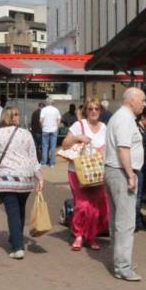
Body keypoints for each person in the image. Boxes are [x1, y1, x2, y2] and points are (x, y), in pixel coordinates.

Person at [104, 88, 146, 281]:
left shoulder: (122, 117)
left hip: (117, 171)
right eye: (143, 100)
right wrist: (130, 174)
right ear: (132, 101)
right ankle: (123, 266)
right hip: (121, 172)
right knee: (126, 221)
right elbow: (123, 148)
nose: (144, 104)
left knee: (118, 220)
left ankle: (121, 261)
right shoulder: (124, 118)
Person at [0, 106, 43, 260]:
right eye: (16, 114)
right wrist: (39, 176)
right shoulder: (26, 134)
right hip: (25, 180)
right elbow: (33, 158)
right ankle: (15, 237)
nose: (18, 117)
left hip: (6, 178)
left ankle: (17, 247)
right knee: (20, 210)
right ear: (12, 117)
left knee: (12, 212)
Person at [61, 98, 109, 251]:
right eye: (90, 109)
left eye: (96, 108)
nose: (93, 111)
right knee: (82, 205)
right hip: (78, 172)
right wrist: (77, 138)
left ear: (100, 111)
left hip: (97, 173)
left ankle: (91, 236)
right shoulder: (78, 125)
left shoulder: (105, 128)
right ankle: (78, 234)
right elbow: (65, 144)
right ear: (85, 111)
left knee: (95, 207)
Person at [39, 102, 62, 167]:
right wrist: (56, 126)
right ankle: (52, 163)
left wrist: (42, 127)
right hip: (54, 130)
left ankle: (44, 162)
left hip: (45, 130)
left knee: (45, 147)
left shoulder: (43, 110)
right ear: (53, 103)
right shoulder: (56, 110)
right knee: (53, 147)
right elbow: (59, 119)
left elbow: (41, 120)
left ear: (46, 103)